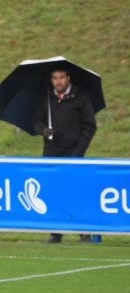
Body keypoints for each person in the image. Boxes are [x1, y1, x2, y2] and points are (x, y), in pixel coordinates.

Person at [33, 67, 97, 244]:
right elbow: (36, 121)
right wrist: (43, 130)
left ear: (68, 78)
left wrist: (78, 153)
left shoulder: (81, 97)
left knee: (75, 191)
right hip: (51, 153)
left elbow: (90, 127)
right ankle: (56, 231)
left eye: (61, 77)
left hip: (73, 152)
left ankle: (84, 232)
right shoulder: (45, 98)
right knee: (53, 192)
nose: (58, 81)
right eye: (55, 78)